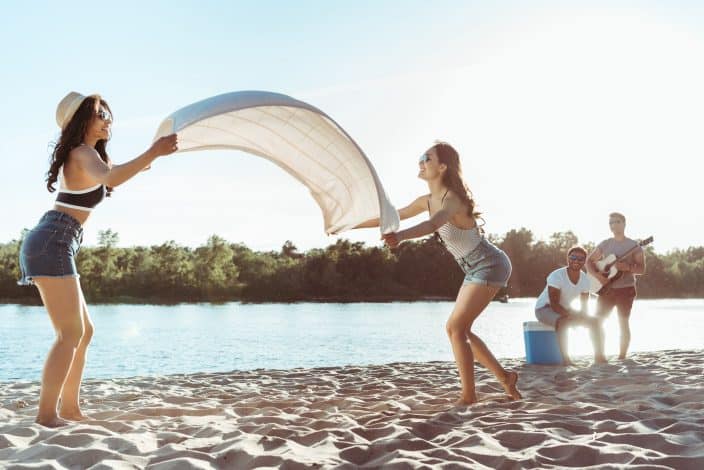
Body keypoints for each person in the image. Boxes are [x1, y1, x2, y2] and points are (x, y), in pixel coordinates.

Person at [18, 92, 178, 427]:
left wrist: (151, 158)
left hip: (58, 240)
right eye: (100, 113)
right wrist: (154, 151)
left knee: (83, 331)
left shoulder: (88, 155)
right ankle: (47, 416)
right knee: (69, 333)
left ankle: (71, 409)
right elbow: (111, 177)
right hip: (54, 240)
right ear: (82, 120)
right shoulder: (80, 152)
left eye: (108, 112)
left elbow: (113, 172)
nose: (108, 118)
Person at [355, 142, 521, 405]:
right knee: (459, 329)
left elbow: (433, 223)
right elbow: (393, 215)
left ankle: (468, 397)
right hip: (472, 266)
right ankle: (505, 378)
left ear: (443, 166)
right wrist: (348, 226)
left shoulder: (453, 199)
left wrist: (401, 237)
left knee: (456, 328)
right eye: (421, 157)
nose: (421, 162)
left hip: (489, 262)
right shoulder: (426, 201)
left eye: (426, 158)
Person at [586, 212, 646, 360]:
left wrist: (627, 267)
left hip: (626, 290)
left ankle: (621, 357)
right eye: (611, 223)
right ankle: (599, 355)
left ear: (624, 224)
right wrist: (598, 276)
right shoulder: (605, 243)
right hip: (606, 289)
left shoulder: (634, 246)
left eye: (617, 222)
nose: (614, 225)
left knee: (623, 322)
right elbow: (588, 261)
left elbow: (642, 269)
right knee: (597, 321)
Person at [534, 246, 606, 365]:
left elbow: (584, 307)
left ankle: (599, 357)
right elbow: (555, 305)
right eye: (573, 257)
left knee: (595, 322)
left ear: (584, 261)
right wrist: (571, 315)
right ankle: (566, 360)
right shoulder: (556, 276)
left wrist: (582, 316)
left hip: (565, 310)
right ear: (568, 258)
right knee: (564, 322)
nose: (576, 261)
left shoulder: (585, 279)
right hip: (545, 309)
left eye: (581, 258)